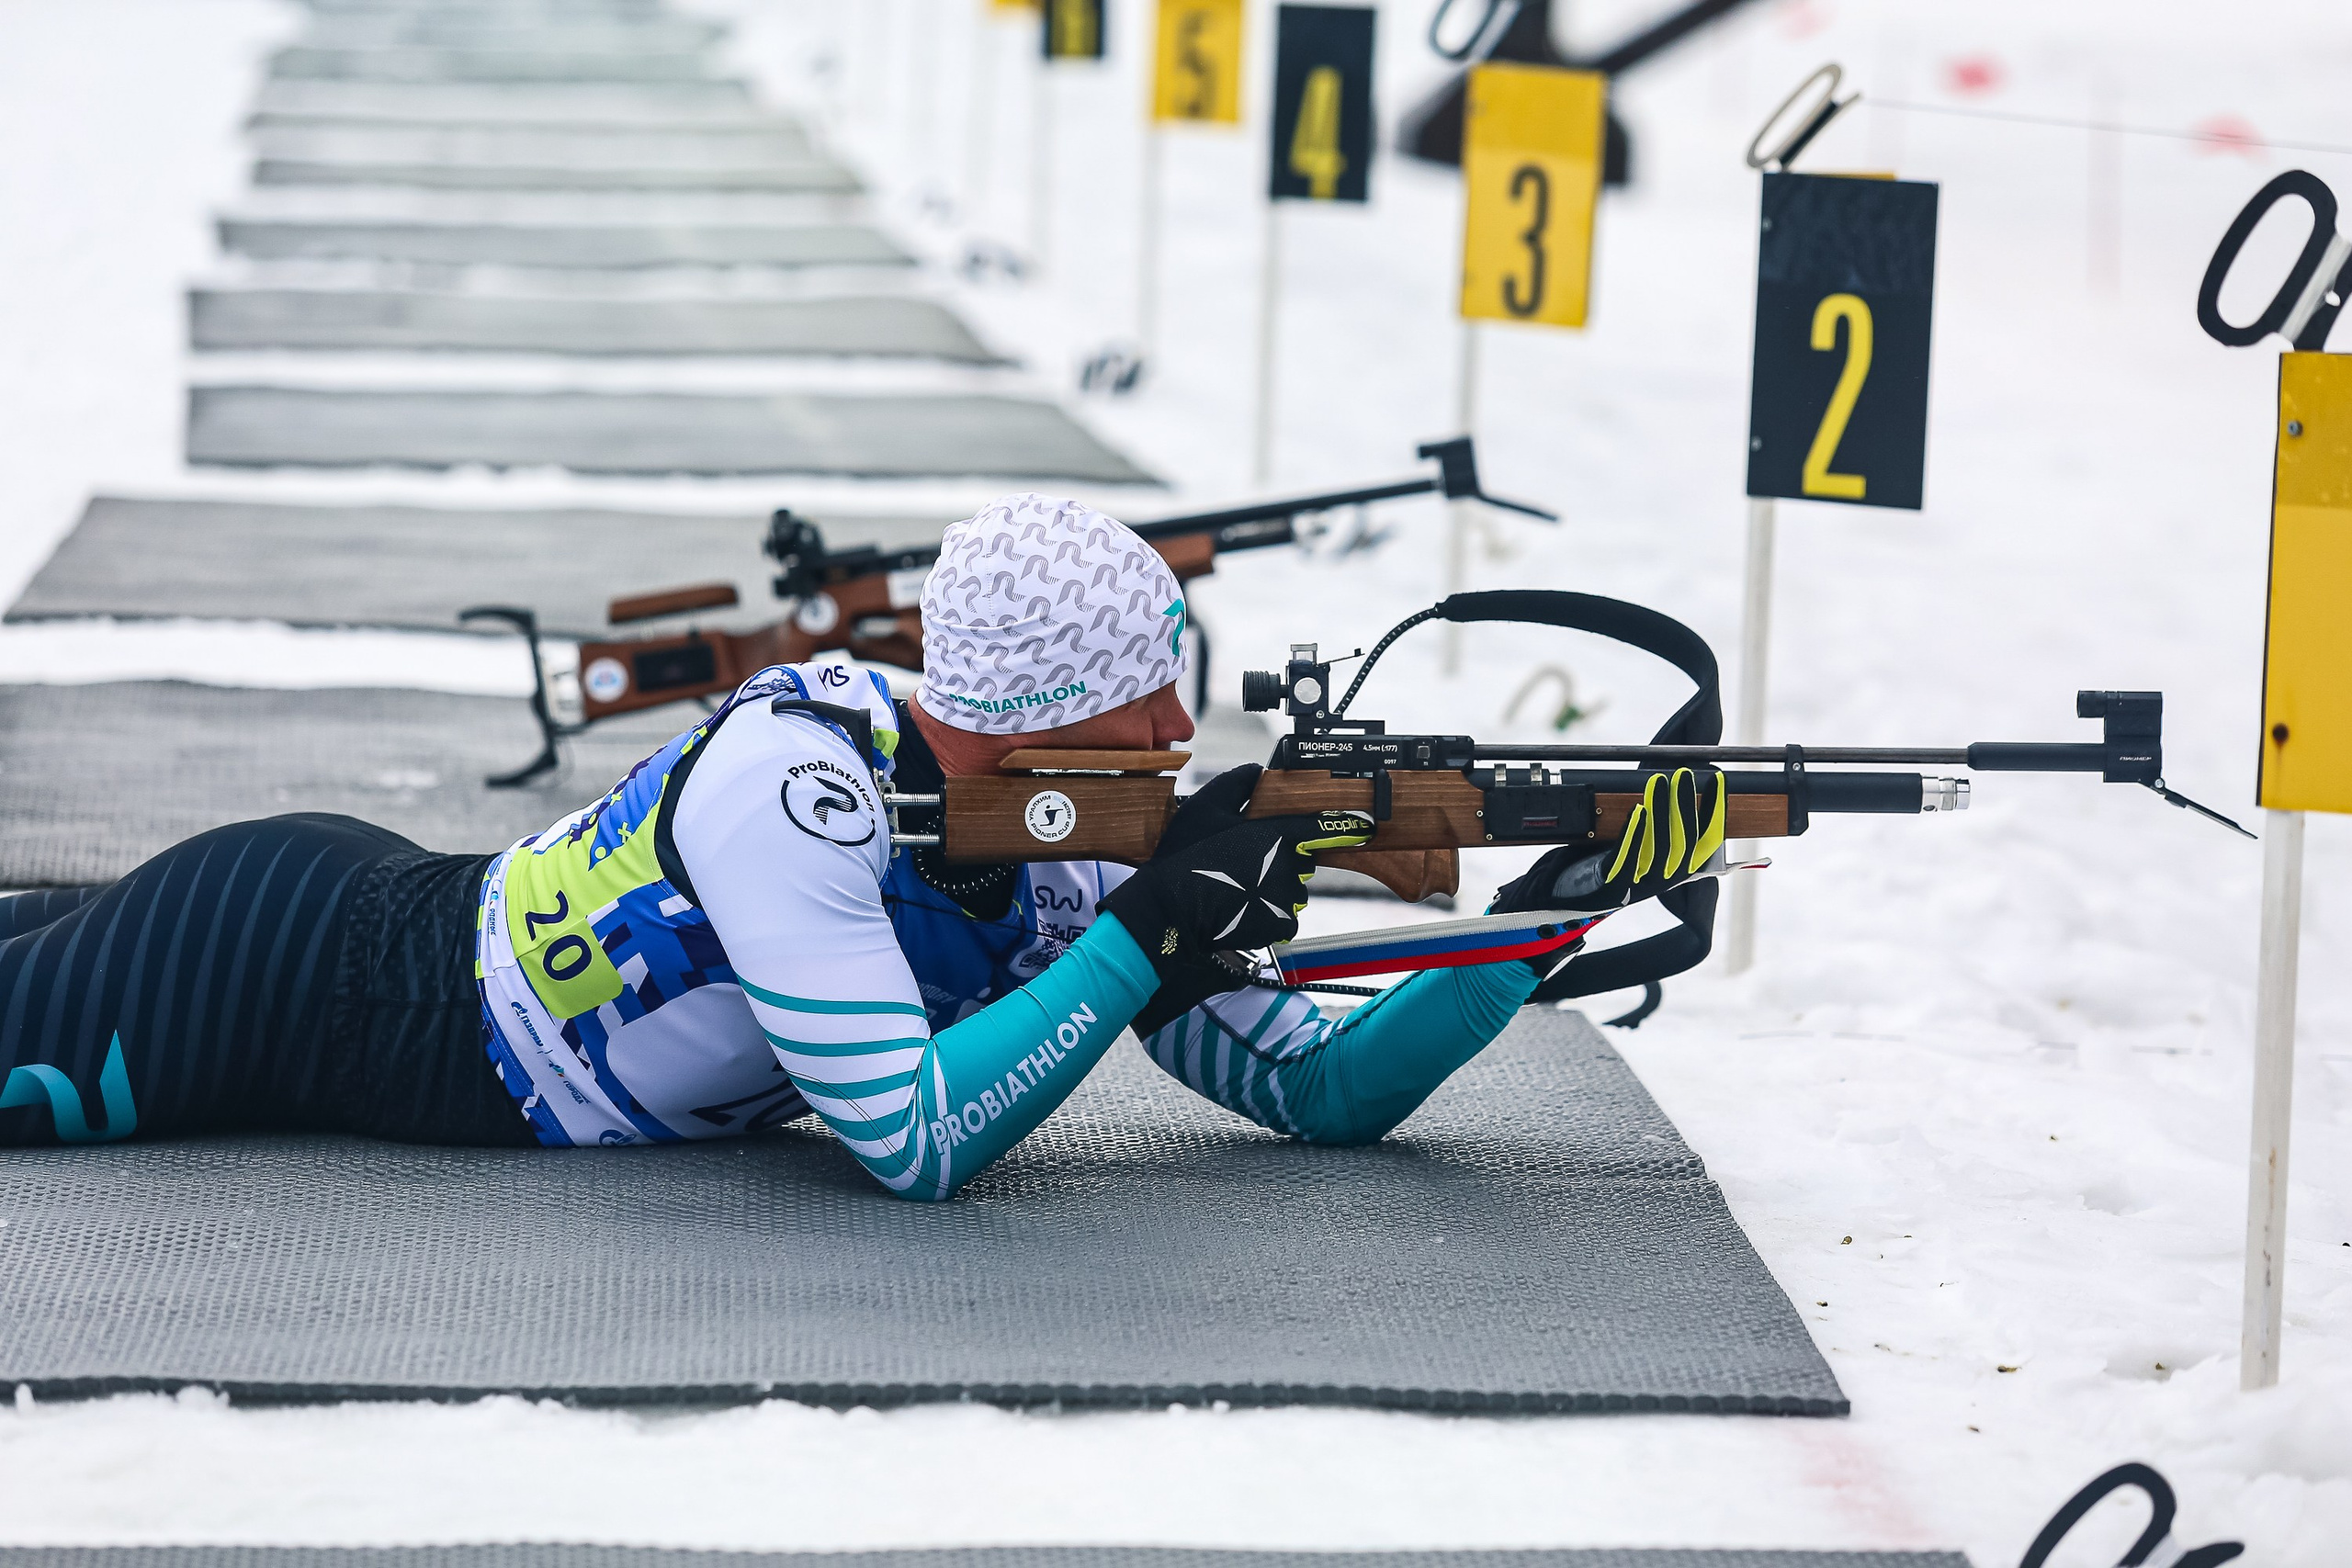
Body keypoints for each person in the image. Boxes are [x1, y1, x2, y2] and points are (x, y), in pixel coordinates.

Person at [0, 494, 1722, 1198]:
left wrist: (1532, 932)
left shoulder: (1071, 830)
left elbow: (1322, 1095)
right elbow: (907, 1138)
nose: (1178, 754)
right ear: (1027, 714)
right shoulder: (796, 778)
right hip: (298, 973)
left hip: (376, 945)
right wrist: (1145, 945)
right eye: (1144, 721)